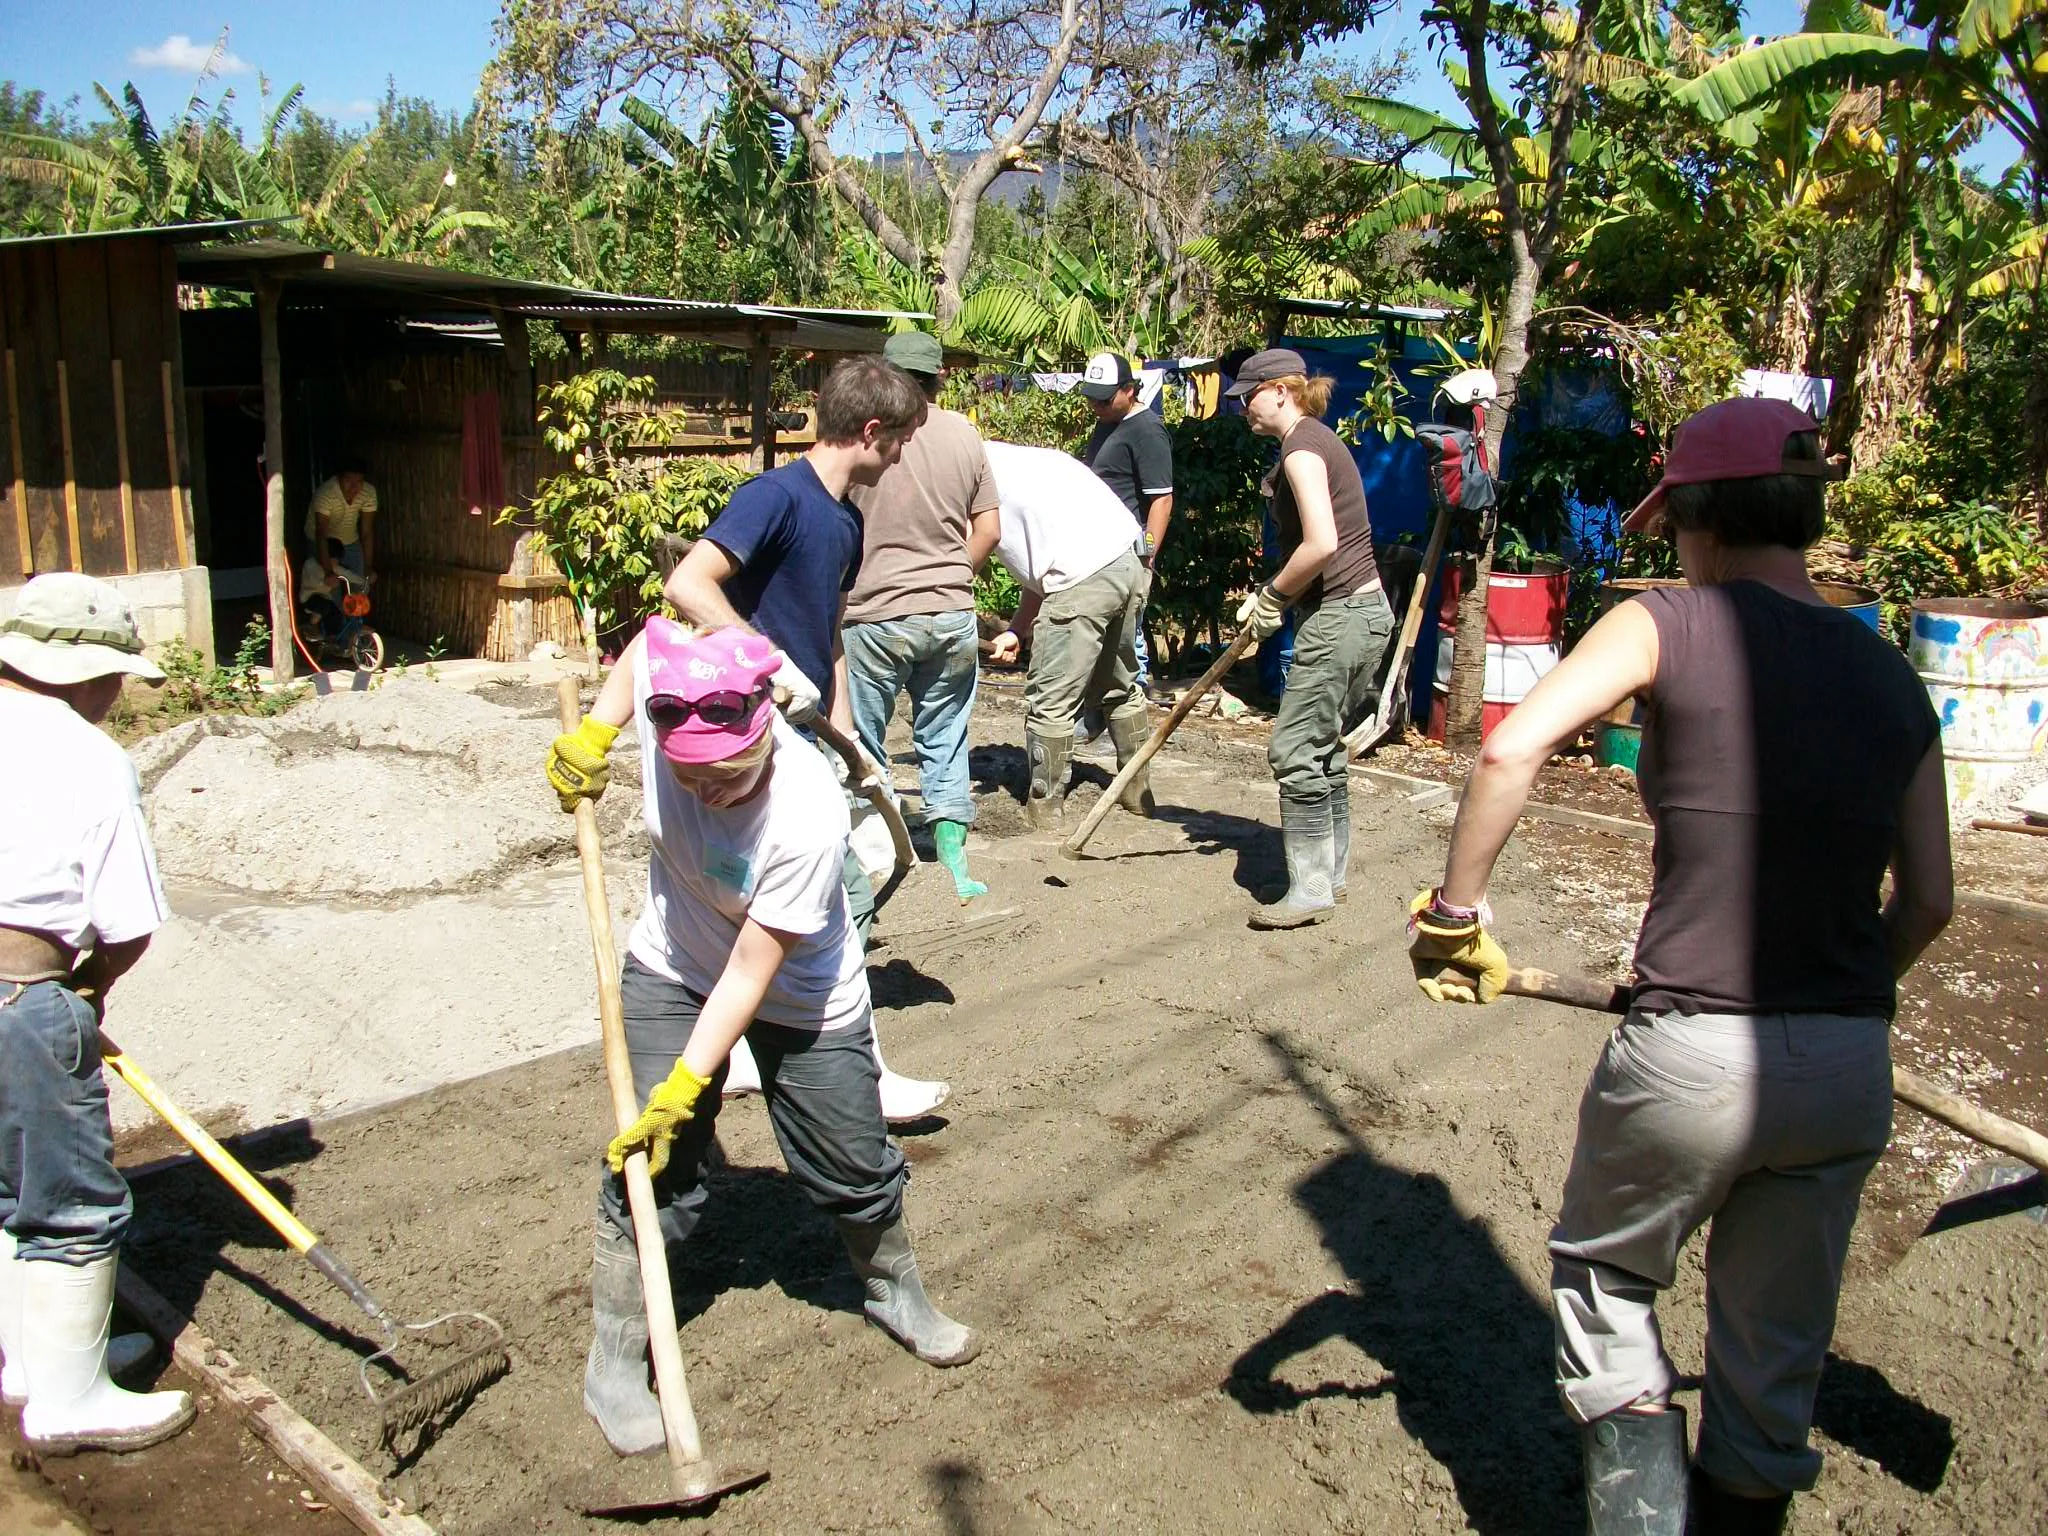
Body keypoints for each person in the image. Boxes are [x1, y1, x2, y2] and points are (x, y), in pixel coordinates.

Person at [1406, 398, 1953, 1535]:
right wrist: (1847, 999)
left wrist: (1455, 912)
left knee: (1605, 1286)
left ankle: (1638, 1502)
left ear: (1695, 515)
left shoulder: (1668, 622)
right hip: (1844, 1067)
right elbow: (1931, 900)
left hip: (1690, 1056)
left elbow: (1509, 745)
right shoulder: (1891, 676)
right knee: (1772, 1354)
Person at [555, 621, 981, 1457]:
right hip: (673, 963)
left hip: (798, 989)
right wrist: (597, 733)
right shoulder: (669, 707)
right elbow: (648, 648)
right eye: (690, 777)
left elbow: (752, 975)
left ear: (761, 733)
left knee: (854, 1163)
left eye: (726, 777)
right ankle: (613, 1357)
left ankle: (896, 1290)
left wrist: (690, 1080)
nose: (707, 793)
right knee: (653, 1162)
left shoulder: (807, 813)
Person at [562, 354, 947, 1123]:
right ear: (872, 432)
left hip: (801, 736)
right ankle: (853, 1069)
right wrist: (762, 661)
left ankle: (742, 1051)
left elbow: (829, 634)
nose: (904, 454)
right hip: (735, 732)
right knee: (836, 899)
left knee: (775, 898)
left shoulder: (846, 520)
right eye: (901, 438)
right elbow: (687, 586)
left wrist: (850, 740)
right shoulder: (775, 496)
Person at [0, 574, 193, 1456]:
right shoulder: (87, 758)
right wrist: (84, 995)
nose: (120, 694)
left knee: (8, 1187)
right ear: (84, 673)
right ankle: (71, 1400)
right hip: (19, 998)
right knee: (72, 1201)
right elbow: (128, 925)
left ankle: (32, 1360)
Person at [1227, 349, 1393, 929]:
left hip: (1343, 616)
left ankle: (1312, 889)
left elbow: (1321, 543)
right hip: (1365, 612)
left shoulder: (1301, 447)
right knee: (1323, 746)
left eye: (1248, 395)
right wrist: (1278, 597)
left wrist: (1272, 595)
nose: (1242, 407)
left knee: (1295, 750)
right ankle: (1333, 875)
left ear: (1280, 390)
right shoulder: (1316, 438)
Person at [843, 332, 1002, 904]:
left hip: (873, 613)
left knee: (861, 740)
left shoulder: (862, 437)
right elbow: (988, 530)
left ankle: (871, 851)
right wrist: (952, 575)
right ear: (940, 377)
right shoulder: (963, 433)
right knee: (945, 735)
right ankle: (954, 857)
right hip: (950, 612)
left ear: (883, 375)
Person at [980, 441, 1153, 828]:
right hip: (1129, 563)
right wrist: (1018, 629)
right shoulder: (1031, 461)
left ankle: (1046, 810)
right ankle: (1138, 795)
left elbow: (986, 540)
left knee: (1052, 699)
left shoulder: (972, 475)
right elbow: (1043, 562)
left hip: (1082, 579)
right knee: (1120, 685)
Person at [1078, 351, 1173, 699]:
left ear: (1129, 390)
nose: (1096, 405)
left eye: (1104, 399)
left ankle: (1127, 706)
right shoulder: (1107, 422)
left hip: (1127, 552)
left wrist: (1146, 556)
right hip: (1097, 550)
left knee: (1127, 638)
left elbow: (1162, 500)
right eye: (1091, 397)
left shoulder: (1147, 431)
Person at [305, 456, 377, 588]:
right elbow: (321, 533)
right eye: (348, 480)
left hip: (349, 540)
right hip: (322, 541)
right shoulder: (326, 494)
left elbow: (367, 532)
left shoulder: (368, 492)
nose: (354, 487)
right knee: (330, 588)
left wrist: (368, 567)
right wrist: (328, 571)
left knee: (362, 585)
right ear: (339, 478)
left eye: (359, 481)